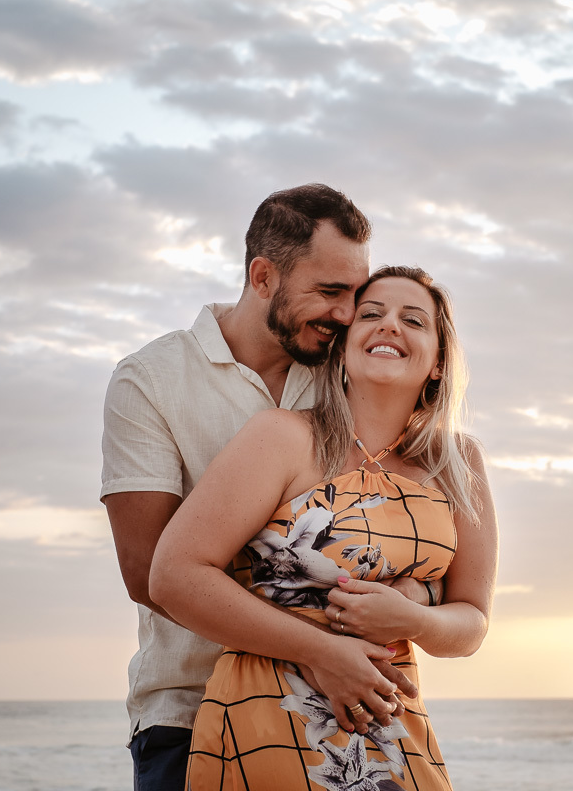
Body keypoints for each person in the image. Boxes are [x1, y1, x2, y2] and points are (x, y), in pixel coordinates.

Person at [101, 185, 433, 791]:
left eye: (353, 295)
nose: (343, 313)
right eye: (329, 292)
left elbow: (405, 513)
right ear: (262, 276)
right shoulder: (151, 381)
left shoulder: (346, 371)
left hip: (340, 712)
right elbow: (150, 572)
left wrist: (413, 594)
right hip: (190, 709)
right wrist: (320, 645)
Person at [152, 266, 499, 790]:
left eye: (413, 319)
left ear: (438, 362)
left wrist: (413, 616)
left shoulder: (459, 462)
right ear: (342, 348)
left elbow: (471, 623)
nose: (389, 327)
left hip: (389, 719)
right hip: (270, 710)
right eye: (372, 314)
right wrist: (324, 651)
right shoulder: (283, 438)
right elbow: (174, 575)